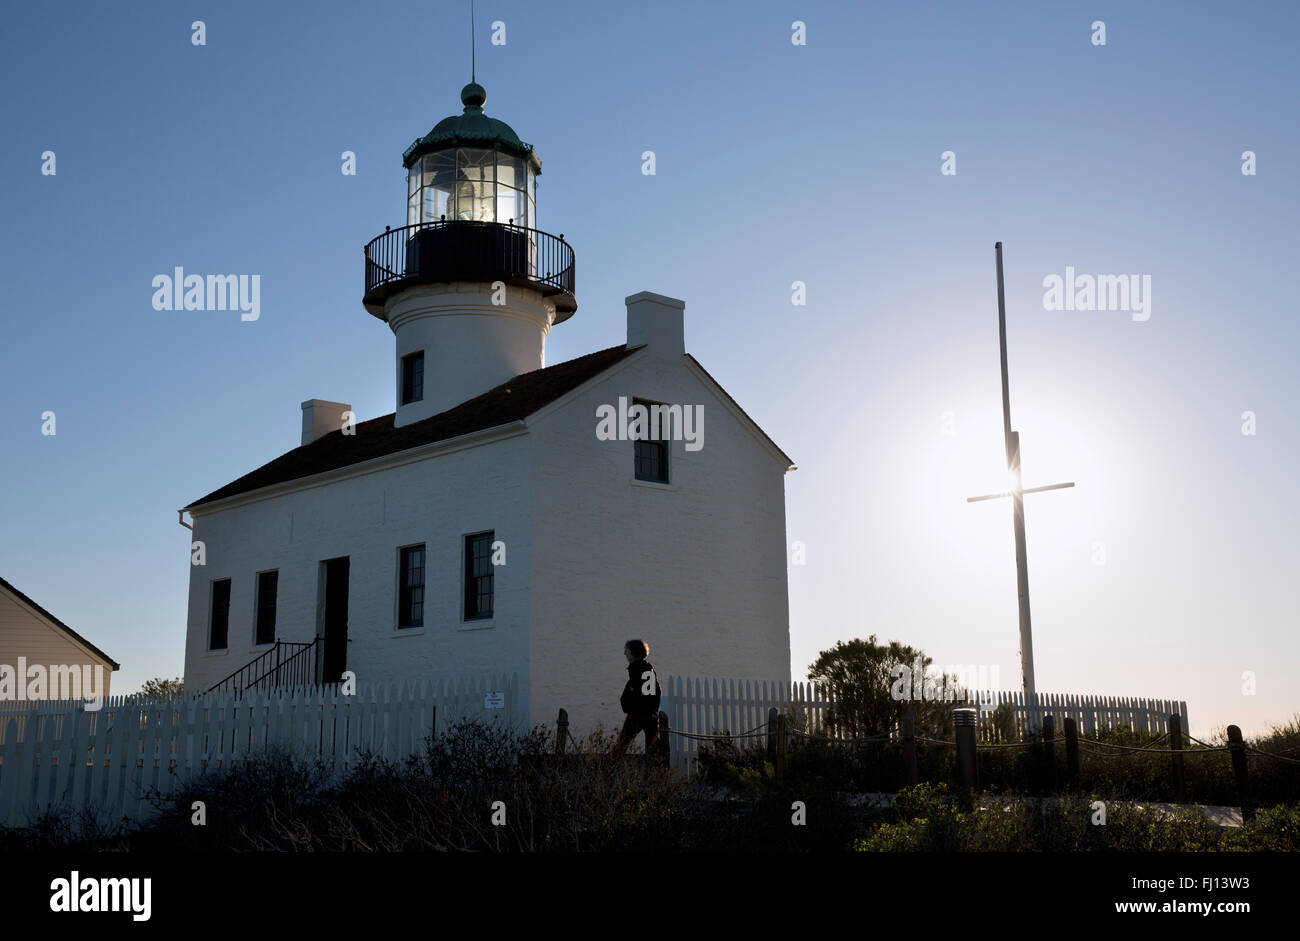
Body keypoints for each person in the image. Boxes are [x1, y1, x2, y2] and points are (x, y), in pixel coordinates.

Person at [615, 639, 662, 762]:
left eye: (627, 650)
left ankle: (610, 774)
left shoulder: (643, 670)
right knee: (652, 749)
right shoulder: (639, 669)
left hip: (639, 715)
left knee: (621, 747)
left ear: (634, 652)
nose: (625, 653)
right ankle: (654, 777)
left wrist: (650, 710)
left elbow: (651, 693)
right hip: (642, 714)